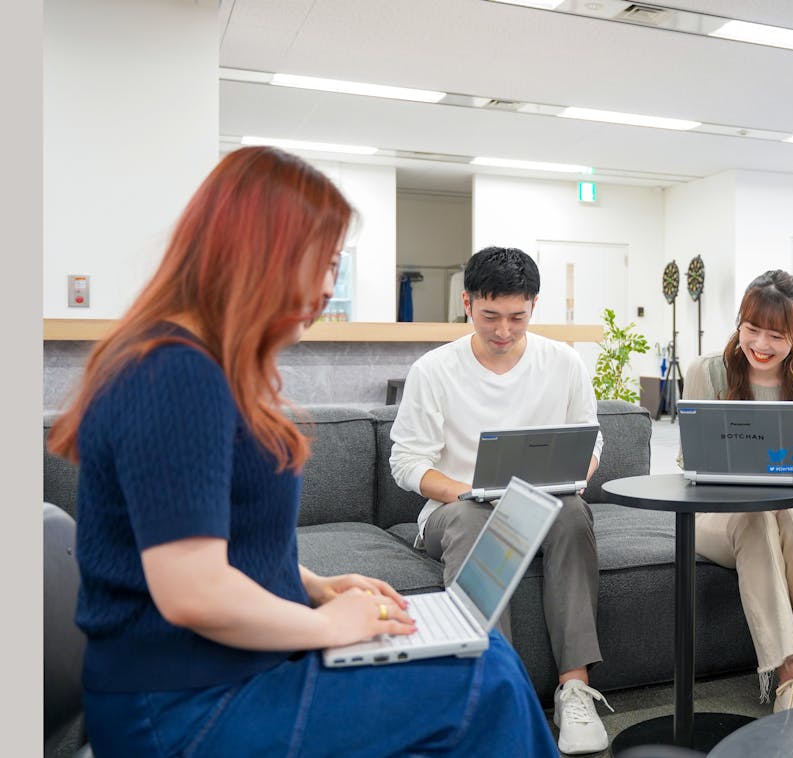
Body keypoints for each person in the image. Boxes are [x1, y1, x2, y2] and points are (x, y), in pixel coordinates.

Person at [45, 147, 556, 756]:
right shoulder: (174, 374)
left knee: (482, 648)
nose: (327, 287)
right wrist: (323, 625)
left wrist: (313, 585)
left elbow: (220, 541)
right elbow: (192, 591)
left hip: (224, 672)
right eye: (322, 263)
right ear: (257, 254)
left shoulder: (197, 364)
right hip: (183, 706)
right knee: (484, 679)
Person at [389, 247, 610, 755]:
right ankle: (500, 695)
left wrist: (573, 476)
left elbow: (589, 438)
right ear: (467, 303)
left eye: (517, 317)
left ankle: (575, 689)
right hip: (456, 509)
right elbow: (407, 462)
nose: (504, 330)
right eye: (490, 316)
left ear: (533, 306)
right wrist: (469, 491)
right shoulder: (434, 370)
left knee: (573, 512)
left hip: (541, 503)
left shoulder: (564, 362)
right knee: (474, 519)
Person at [679, 270, 793, 712]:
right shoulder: (707, 372)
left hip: (789, 511)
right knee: (757, 518)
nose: (760, 344)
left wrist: (786, 499)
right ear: (740, 322)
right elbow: (693, 465)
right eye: (752, 328)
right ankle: (789, 674)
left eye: (776, 335)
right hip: (717, 519)